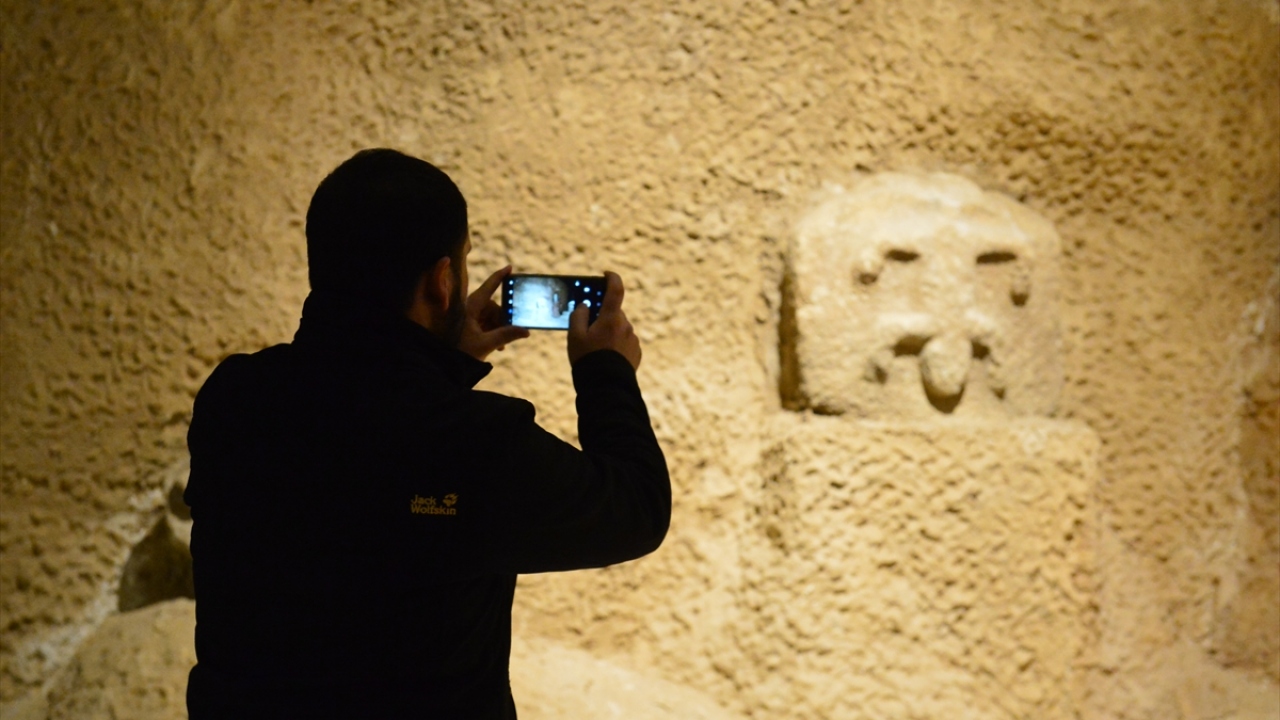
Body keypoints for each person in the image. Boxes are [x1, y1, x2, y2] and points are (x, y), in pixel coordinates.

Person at [184, 148, 671, 719]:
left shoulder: (234, 399)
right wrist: (605, 372)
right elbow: (637, 509)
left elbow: (363, 421)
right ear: (443, 281)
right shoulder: (478, 442)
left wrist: (440, 362)